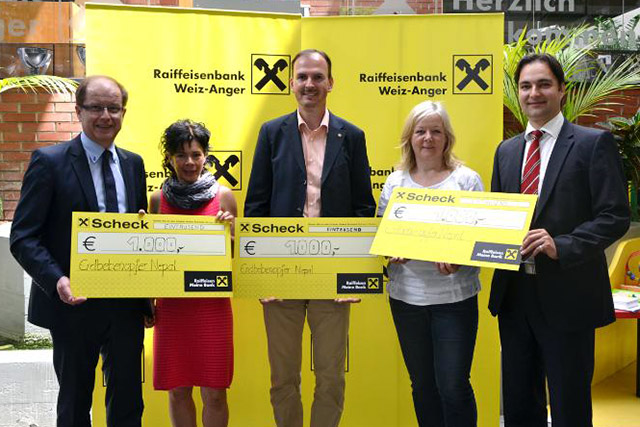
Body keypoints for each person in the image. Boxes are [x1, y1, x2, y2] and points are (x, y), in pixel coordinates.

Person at [490, 53, 630, 427]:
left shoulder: (592, 143)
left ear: (562, 90)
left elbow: (615, 216)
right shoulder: (506, 151)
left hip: (569, 296)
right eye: (525, 86)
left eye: (543, 84)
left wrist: (562, 245)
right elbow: (495, 218)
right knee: (519, 405)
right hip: (515, 295)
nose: (533, 93)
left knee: (570, 406)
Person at [244, 49, 376, 427]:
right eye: (302, 76)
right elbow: (256, 207)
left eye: (318, 77)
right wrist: (261, 276)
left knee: (331, 378)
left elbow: (363, 209)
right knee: (283, 378)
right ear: (291, 83)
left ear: (330, 83)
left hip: (332, 276)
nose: (309, 84)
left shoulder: (352, 136)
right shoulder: (272, 133)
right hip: (280, 273)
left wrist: (352, 275)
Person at [9, 75, 149, 427]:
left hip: (125, 305)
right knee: (74, 403)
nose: (105, 116)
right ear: (78, 111)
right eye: (96, 107)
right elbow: (23, 236)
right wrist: (57, 279)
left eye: (113, 108)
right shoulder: (49, 161)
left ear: (123, 112)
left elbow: (139, 233)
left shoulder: (133, 164)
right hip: (73, 303)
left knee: (129, 401)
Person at [378, 101, 482, 427]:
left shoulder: (466, 180)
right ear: (409, 137)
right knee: (422, 386)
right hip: (406, 300)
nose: (428, 138)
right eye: (420, 131)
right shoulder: (395, 182)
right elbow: (382, 235)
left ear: (447, 137)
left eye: (436, 131)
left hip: (455, 300)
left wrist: (460, 258)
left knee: (453, 386)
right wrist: (391, 250)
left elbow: (480, 238)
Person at [149, 120, 237, 427]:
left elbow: (235, 258)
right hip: (172, 308)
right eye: (181, 155)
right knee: (177, 390)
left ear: (206, 156)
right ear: (169, 158)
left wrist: (230, 234)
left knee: (215, 393)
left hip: (211, 306)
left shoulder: (224, 197)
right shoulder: (157, 200)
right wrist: (147, 302)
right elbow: (151, 259)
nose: (189, 162)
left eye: (196, 154)